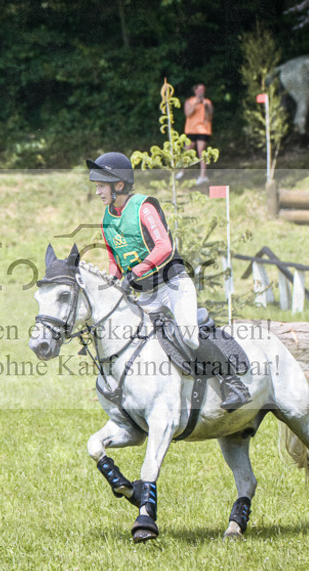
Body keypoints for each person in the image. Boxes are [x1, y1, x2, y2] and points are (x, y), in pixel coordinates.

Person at [86, 151, 251, 408]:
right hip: (146, 293)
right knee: (136, 339)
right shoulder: (106, 219)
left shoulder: (144, 207)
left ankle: (233, 384)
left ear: (119, 184)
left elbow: (164, 246)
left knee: (188, 336)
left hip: (172, 285)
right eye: (96, 187)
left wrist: (137, 271)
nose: (98, 192)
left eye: (101, 186)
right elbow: (114, 262)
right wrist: (111, 284)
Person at [181, 84, 212, 185]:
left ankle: (203, 175)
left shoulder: (207, 102)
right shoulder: (189, 101)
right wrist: (196, 104)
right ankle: (182, 171)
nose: (201, 92)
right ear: (195, 91)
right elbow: (188, 113)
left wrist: (206, 107)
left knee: (201, 152)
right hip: (191, 130)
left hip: (203, 130)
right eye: (199, 90)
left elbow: (209, 116)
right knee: (187, 151)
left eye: (203, 90)